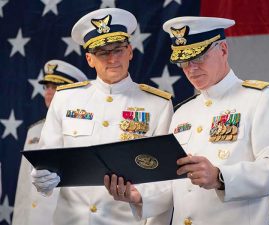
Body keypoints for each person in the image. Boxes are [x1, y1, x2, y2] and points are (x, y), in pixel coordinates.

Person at [104, 16, 269, 225]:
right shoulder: (182, 112)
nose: (191, 68)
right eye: (183, 61)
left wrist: (220, 176)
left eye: (198, 57)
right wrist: (140, 196)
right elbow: (176, 182)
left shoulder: (261, 99)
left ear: (223, 50)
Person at [30, 8, 174, 225]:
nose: (113, 58)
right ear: (89, 59)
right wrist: (42, 178)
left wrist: (140, 197)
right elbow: (47, 160)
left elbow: (166, 178)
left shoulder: (158, 104)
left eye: (118, 49)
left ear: (130, 51)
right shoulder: (65, 98)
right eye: (102, 52)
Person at [12, 60, 88, 225]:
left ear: (73, 92)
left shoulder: (86, 131)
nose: (49, 92)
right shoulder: (33, 131)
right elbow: (24, 188)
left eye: (56, 87)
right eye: (47, 87)